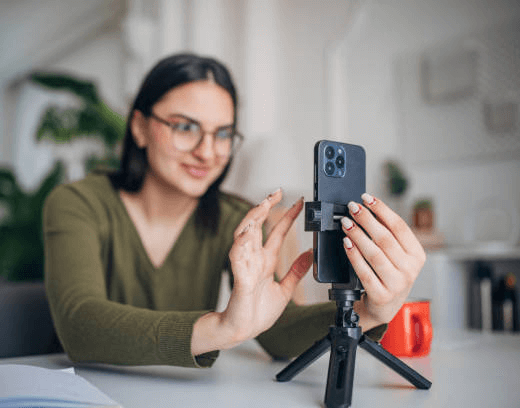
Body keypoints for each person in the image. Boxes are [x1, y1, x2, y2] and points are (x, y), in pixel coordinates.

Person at [42, 53, 426, 368]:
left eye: (223, 134)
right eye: (185, 127)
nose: (208, 152)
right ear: (140, 127)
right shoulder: (77, 204)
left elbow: (277, 331)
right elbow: (79, 324)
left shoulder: (235, 218)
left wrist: (371, 311)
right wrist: (221, 328)